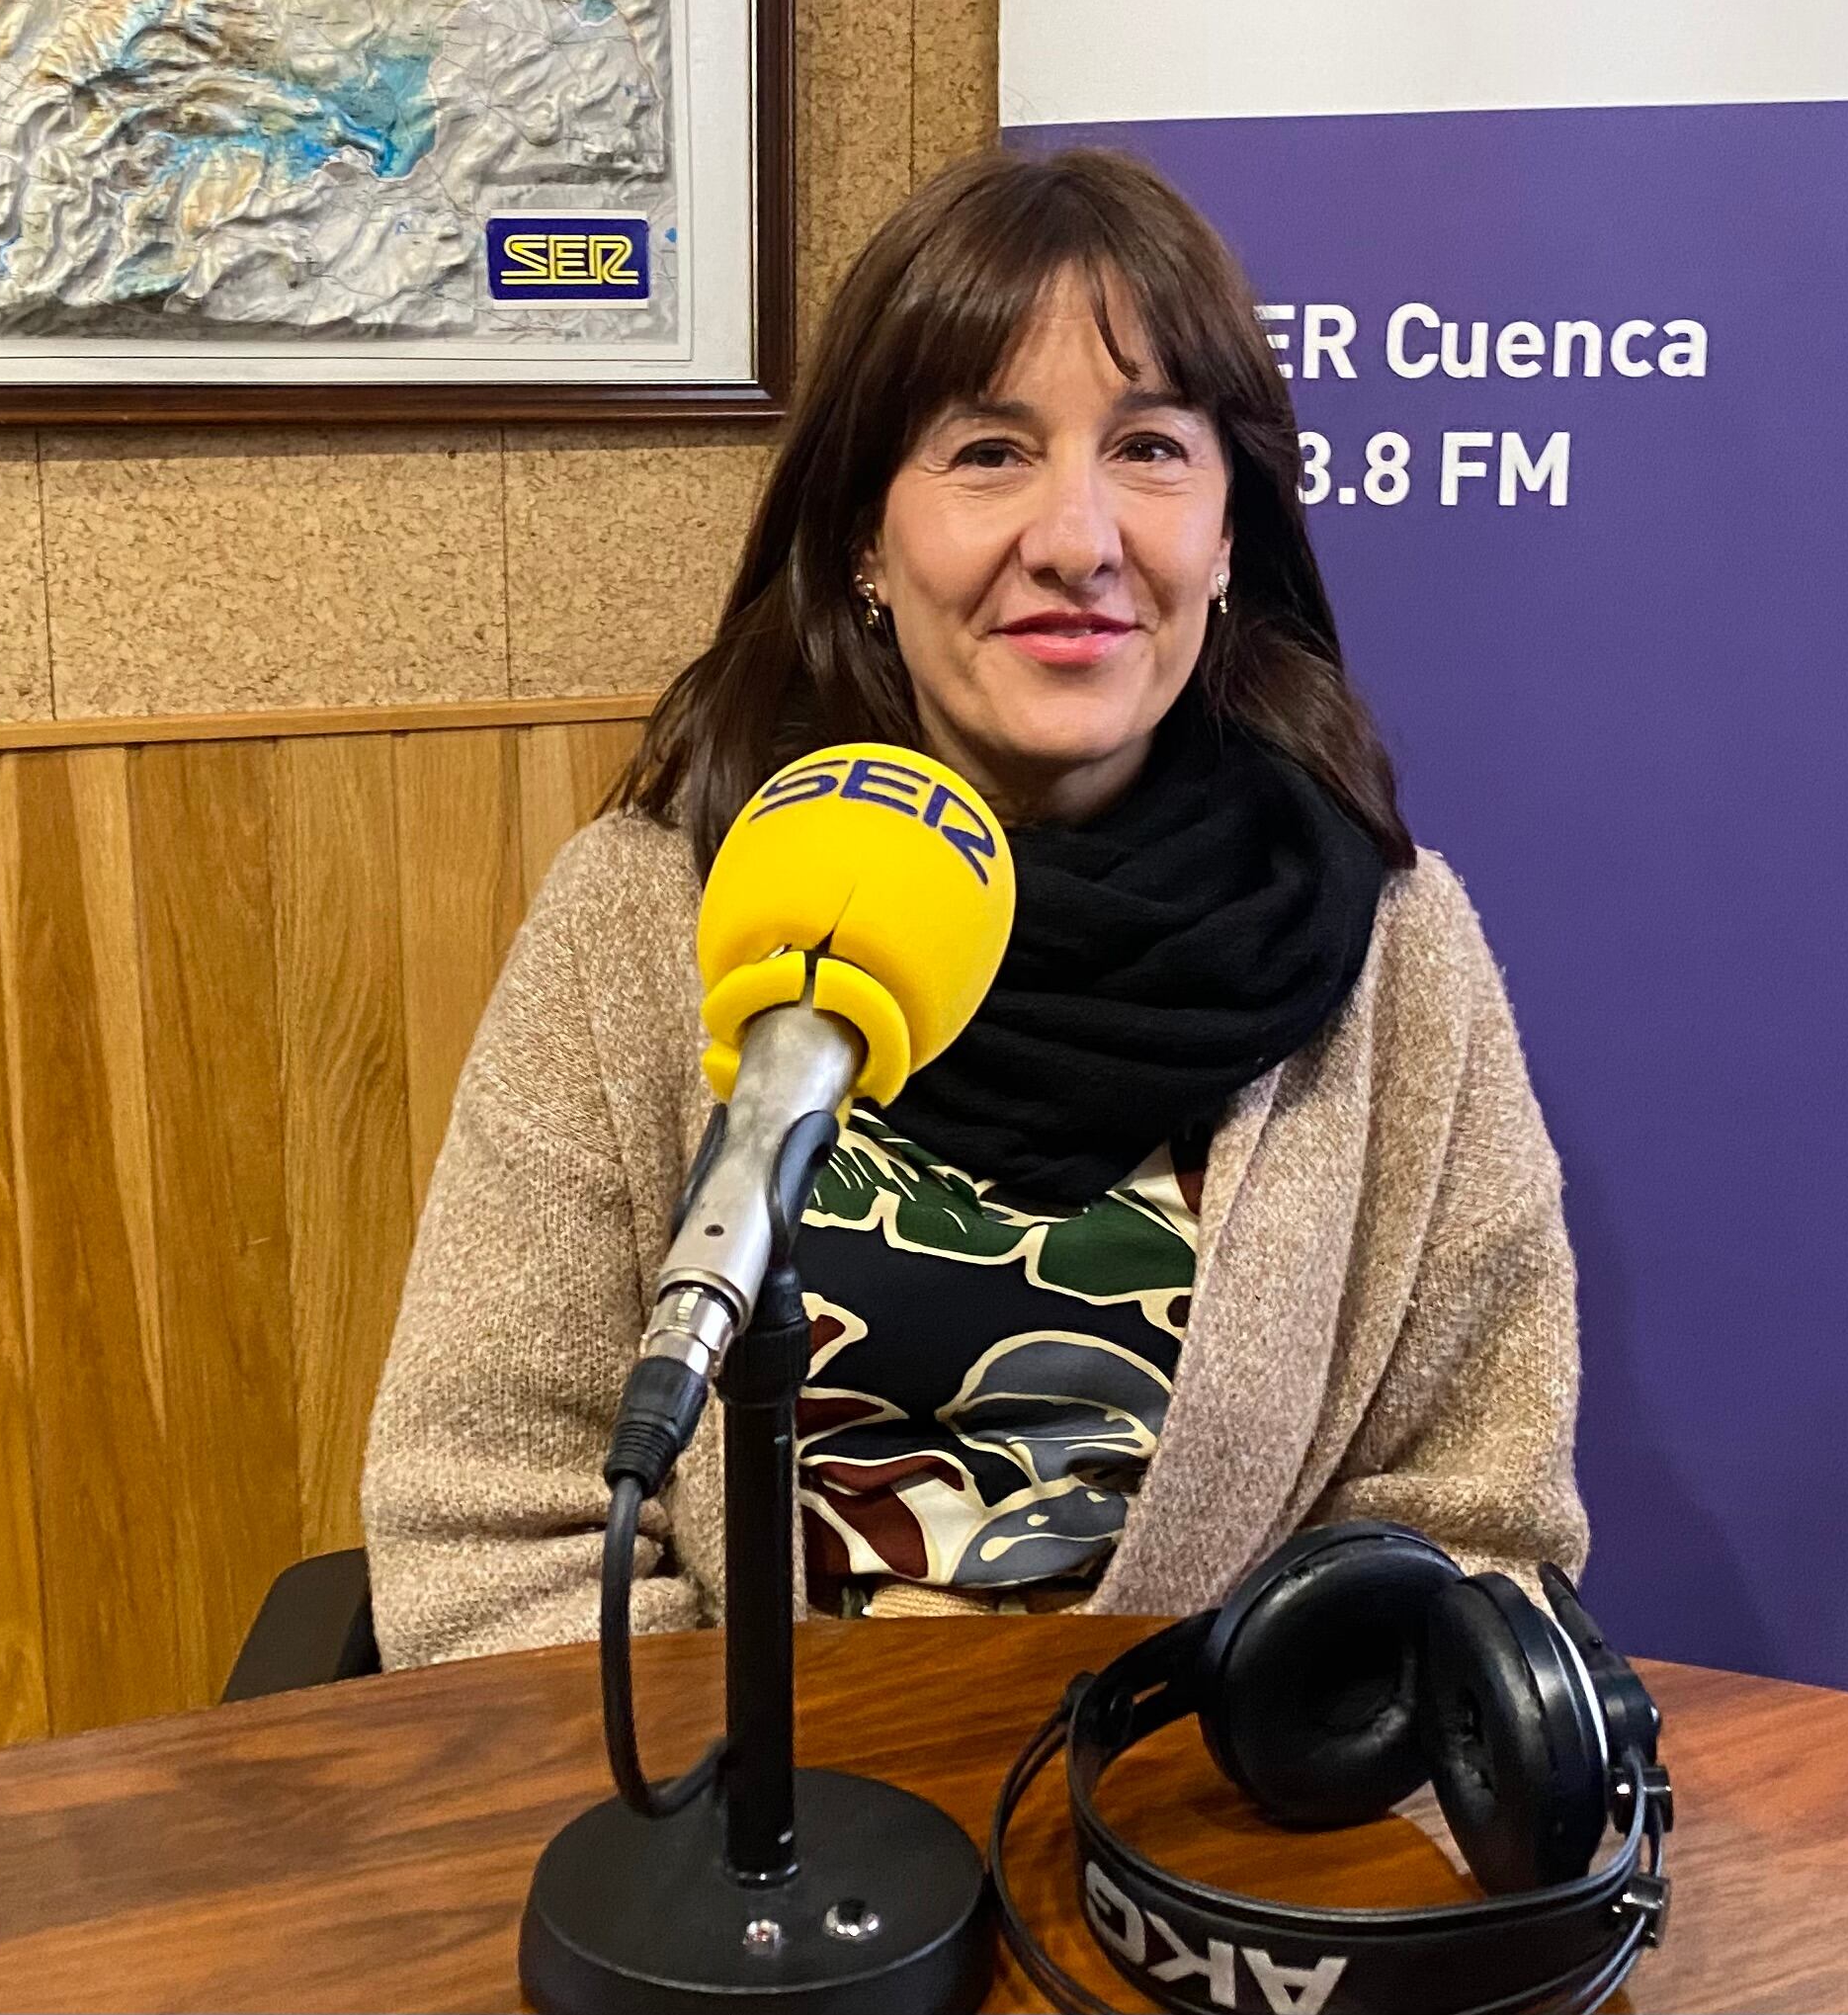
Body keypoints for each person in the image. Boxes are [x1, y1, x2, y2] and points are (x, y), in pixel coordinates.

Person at [361, 146, 1581, 1665]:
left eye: (1148, 449)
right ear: (867, 538)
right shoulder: (648, 913)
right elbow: (488, 1521)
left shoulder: (1392, 955)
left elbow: (1479, 1529)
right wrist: (727, 1829)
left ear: (1228, 532)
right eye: (989, 452)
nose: (1076, 540)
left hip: (1204, 1847)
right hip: (756, 1846)